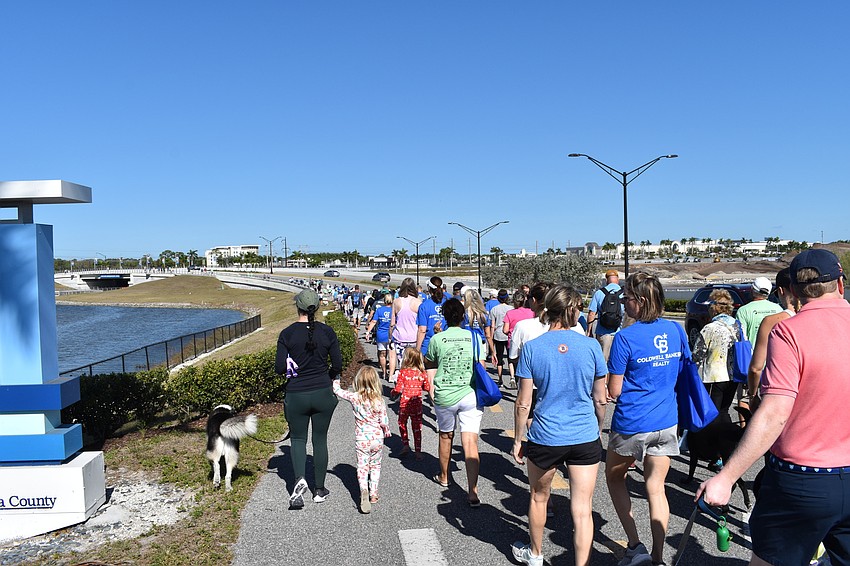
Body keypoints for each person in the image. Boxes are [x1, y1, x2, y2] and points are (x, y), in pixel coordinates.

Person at [698, 249, 850, 566]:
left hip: (803, 479)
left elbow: (775, 413)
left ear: (792, 291)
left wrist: (725, 478)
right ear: (840, 284)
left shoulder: (789, 331)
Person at [510, 285, 608, 566]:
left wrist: (519, 439)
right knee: (582, 508)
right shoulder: (591, 346)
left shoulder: (532, 349)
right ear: (574, 310)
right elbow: (600, 400)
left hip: (546, 435)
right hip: (584, 435)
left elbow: (523, 402)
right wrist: (597, 429)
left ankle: (536, 554)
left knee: (539, 497)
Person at [605, 273, 690, 566]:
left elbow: (614, 390)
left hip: (632, 422)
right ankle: (657, 555)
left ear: (640, 302)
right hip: (667, 421)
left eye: (626, 297)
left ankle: (634, 544)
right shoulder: (676, 330)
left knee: (615, 477)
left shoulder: (625, 337)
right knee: (656, 487)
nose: (623, 303)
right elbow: (683, 371)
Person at [275, 289, 342, 508]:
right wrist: (329, 377)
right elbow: (338, 365)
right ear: (317, 307)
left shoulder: (287, 334)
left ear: (298, 307)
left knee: (298, 439)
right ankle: (320, 489)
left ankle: (299, 481)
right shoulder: (327, 332)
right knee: (320, 439)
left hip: (296, 394)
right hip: (323, 392)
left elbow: (279, 367)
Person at [426, 298, 485, 506]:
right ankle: (473, 490)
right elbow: (481, 365)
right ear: (463, 316)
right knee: (470, 442)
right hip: (470, 394)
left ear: (444, 317)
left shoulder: (437, 339)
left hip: (445, 394)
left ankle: (444, 476)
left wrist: (437, 335)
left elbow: (431, 360)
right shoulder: (474, 338)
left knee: (445, 435)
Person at [333, 366, 390, 514]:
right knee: (375, 466)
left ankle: (363, 490)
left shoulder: (355, 397)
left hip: (362, 439)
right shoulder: (379, 400)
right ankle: (374, 493)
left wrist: (336, 378)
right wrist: (387, 431)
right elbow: (384, 421)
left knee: (362, 467)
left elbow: (338, 391)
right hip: (377, 438)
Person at [747, 268, 798, 413]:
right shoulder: (814, 318)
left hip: (778, 394)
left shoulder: (771, 322)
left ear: (781, 291)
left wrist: (752, 395)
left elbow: (756, 368)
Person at [692, 289, 739, 419]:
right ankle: (725, 437)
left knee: (712, 413)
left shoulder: (710, 328)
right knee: (724, 410)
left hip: (715, 377)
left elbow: (697, 355)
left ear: (714, 308)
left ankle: (713, 438)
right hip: (733, 375)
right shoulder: (737, 326)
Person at [391, 347, 430, 460]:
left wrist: (393, 392)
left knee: (402, 423)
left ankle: (405, 445)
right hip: (417, 403)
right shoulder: (421, 373)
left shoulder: (403, 373)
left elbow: (398, 389)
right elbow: (427, 387)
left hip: (405, 403)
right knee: (417, 426)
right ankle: (418, 451)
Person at [390, 277, 423, 382]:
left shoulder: (396, 302)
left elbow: (392, 323)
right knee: (413, 364)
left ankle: (401, 384)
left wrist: (390, 337)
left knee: (401, 364)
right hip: (414, 338)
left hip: (400, 338)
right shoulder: (418, 302)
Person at [586, 269, 624, 361]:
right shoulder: (624, 293)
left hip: (603, 333)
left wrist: (589, 331)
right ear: (617, 279)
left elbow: (591, 314)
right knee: (617, 362)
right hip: (619, 333)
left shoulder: (599, 293)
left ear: (606, 280)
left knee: (603, 362)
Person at [736, 276, 782, 347]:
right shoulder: (778, 309)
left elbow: (740, 338)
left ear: (752, 290)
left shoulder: (743, 311)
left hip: (752, 355)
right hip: (774, 353)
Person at [503, 290, 533, 388]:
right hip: (528, 340)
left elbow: (505, 330)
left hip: (513, 340)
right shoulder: (531, 312)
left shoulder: (510, 313)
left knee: (512, 360)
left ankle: (512, 377)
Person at [461, 287, 497, 367]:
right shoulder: (483, 315)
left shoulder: (464, 314)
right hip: (481, 344)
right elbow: (488, 335)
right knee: (481, 368)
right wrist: (493, 352)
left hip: (466, 343)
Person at [416, 276, 448, 354]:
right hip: (446, 344)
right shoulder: (448, 304)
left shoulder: (424, 306)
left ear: (429, 289)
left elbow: (422, 330)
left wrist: (417, 350)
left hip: (428, 345)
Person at [365, 293, 393, 379]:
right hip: (392, 335)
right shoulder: (394, 310)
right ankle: (391, 375)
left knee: (382, 355)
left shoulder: (380, 310)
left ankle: (384, 372)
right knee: (391, 355)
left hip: (381, 334)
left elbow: (373, 322)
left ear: (384, 301)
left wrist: (368, 332)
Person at [489, 289, 513, 386]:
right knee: (510, 357)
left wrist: (491, 338)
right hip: (508, 335)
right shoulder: (511, 308)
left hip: (498, 335)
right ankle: (512, 377)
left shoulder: (494, 309)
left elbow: (492, 326)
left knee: (499, 357)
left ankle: (500, 379)